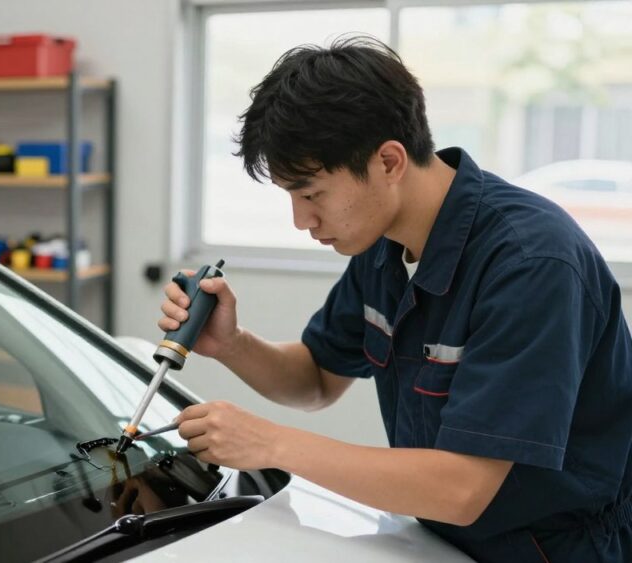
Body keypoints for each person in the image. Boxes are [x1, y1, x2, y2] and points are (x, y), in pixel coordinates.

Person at [159, 36, 632, 562]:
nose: (302, 221)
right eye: (290, 197)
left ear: (388, 161)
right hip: (440, 538)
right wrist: (231, 344)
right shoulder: (383, 242)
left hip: (558, 549)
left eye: (312, 194)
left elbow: (462, 488)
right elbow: (316, 379)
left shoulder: (532, 263)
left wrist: (267, 444)